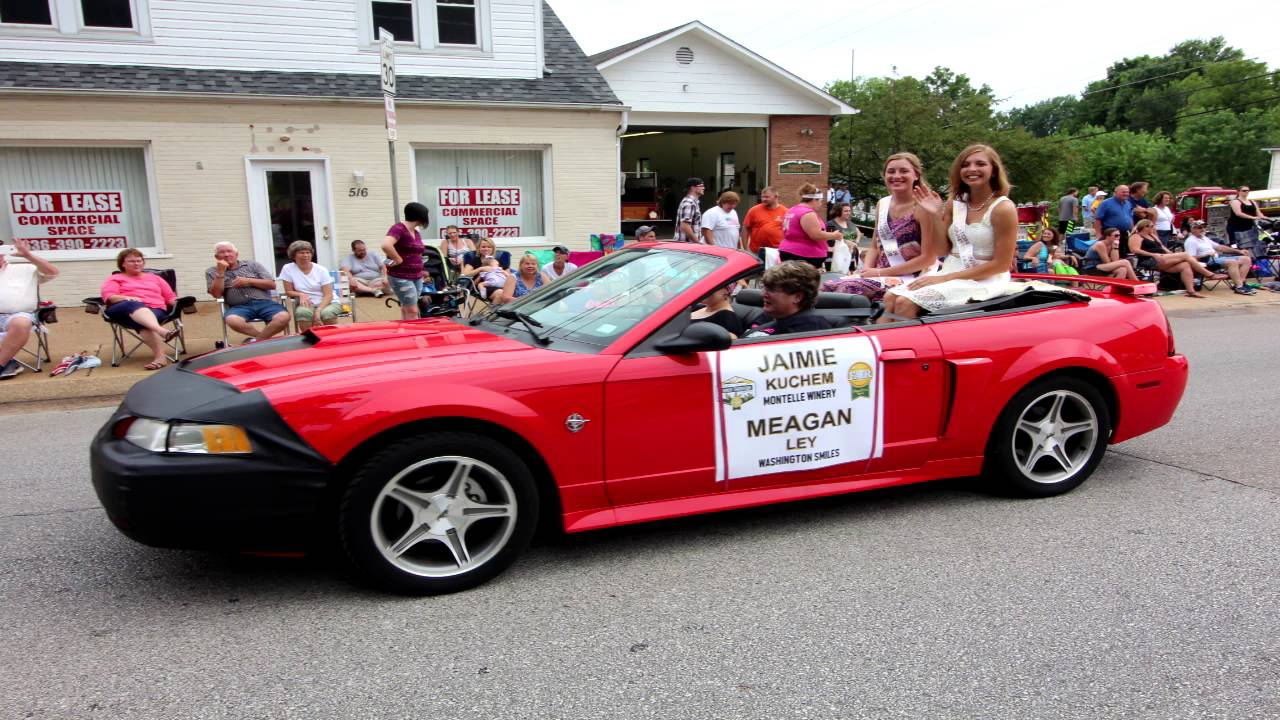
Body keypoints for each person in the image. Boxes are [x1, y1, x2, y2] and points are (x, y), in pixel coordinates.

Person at [881, 144, 1017, 321]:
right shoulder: (956, 203)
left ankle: (908, 348)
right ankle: (881, 347)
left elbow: (1001, 264)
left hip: (985, 278)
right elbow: (942, 250)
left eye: (980, 164)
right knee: (889, 298)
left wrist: (945, 279)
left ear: (993, 170)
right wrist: (935, 215)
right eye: (965, 164)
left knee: (904, 303)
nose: (972, 169)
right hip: (951, 271)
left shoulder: (1003, 208)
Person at [822, 152, 942, 303]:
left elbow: (928, 258)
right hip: (881, 274)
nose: (896, 176)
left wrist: (878, 272)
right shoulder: (882, 204)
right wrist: (866, 270)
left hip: (914, 276)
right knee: (826, 287)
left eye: (904, 171)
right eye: (891, 171)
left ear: (916, 175)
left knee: (847, 290)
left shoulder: (923, 207)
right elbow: (874, 247)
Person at [100, 248, 180, 369]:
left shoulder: (156, 278)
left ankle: (160, 358)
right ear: (123, 264)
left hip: (155, 310)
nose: (137, 263)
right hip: (122, 309)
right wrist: (128, 297)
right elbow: (110, 297)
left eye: (139, 260)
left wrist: (182, 304)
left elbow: (170, 297)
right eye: (132, 261)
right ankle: (162, 331)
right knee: (132, 304)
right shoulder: (115, 278)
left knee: (141, 322)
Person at [207, 241, 291, 343]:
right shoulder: (211, 271)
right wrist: (220, 273)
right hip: (238, 307)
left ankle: (256, 341)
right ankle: (263, 339)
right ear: (216, 257)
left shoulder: (252, 265)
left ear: (236, 254)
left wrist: (248, 281)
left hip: (265, 303)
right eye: (222, 252)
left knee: (283, 317)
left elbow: (272, 285)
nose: (226, 254)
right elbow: (216, 294)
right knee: (232, 320)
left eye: (229, 251)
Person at [0, 239, 58, 379]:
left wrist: (28, 255)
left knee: (21, 323)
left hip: (17, 315)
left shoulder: (24, 269)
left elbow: (53, 272)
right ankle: (9, 362)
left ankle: (1, 364)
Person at [1127, 219, 1224, 298]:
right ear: (1145, 227)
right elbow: (1135, 250)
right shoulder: (1137, 236)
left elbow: (1162, 248)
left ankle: (1191, 291)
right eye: (1152, 226)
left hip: (1163, 258)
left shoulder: (1152, 235)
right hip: (1149, 260)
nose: (1154, 228)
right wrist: (1153, 254)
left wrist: (1171, 254)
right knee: (1185, 255)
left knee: (1185, 265)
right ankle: (1210, 274)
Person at [743, 261, 830, 337]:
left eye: (772, 289)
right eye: (765, 288)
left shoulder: (810, 328)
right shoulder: (772, 314)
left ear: (797, 297)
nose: (764, 294)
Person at [381, 201, 431, 320]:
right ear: (420, 216)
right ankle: (414, 335)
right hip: (401, 276)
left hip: (417, 276)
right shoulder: (398, 228)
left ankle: (406, 332)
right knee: (413, 310)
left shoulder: (416, 232)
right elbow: (386, 245)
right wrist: (398, 259)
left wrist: (421, 268)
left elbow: (416, 252)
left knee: (406, 307)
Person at [278, 240, 341, 331]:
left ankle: (331, 339)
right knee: (302, 313)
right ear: (293, 255)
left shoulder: (321, 270)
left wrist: (318, 310)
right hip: (307, 303)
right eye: (301, 253)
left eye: (308, 252)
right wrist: (301, 294)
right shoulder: (288, 268)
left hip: (328, 302)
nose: (305, 255)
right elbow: (288, 291)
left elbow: (329, 295)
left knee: (327, 314)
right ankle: (309, 338)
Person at [778, 183, 843, 268]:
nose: (820, 204)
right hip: (804, 255)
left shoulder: (791, 210)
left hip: (788, 250)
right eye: (820, 201)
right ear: (814, 200)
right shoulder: (808, 213)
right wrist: (834, 235)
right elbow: (816, 235)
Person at [1183, 220, 1254, 294]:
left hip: (1216, 258)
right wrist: (1206, 255)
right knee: (1232, 262)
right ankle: (1239, 287)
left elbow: (1220, 247)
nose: (1203, 229)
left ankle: (1242, 283)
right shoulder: (1191, 241)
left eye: (1204, 227)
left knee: (1246, 259)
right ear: (1193, 229)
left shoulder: (1204, 238)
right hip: (1206, 262)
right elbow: (1191, 258)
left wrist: (1239, 251)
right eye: (1199, 227)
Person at [741, 186, 787, 253]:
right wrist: (745, 249)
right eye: (762, 197)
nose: (764, 199)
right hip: (756, 251)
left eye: (767, 197)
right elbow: (745, 228)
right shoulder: (754, 210)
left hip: (777, 251)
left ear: (776, 197)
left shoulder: (785, 211)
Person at [1227, 185, 1266, 257]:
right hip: (1235, 226)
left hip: (1248, 226)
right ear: (1238, 192)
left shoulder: (1252, 202)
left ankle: (1252, 259)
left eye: (1248, 190)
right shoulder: (1235, 201)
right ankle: (1235, 256)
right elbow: (1238, 213)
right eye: (1244, 190)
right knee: (1234, 243)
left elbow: (1259, 213)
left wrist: (1265, 218)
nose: (1246, 192)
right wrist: (1252, 217)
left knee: (1251, 243)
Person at [824, 202, 862, 269]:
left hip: (850, 257)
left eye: (849, 211)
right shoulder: (830, 225)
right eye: (845, 211)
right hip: (835, 258)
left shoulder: (850, 223)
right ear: (838, 211)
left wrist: (856, 241)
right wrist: (846, 242)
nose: (848, 213)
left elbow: (858, 232)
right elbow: (829, 240)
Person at [674, 178, 705, 242]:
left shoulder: (692, 202)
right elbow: (685, 226)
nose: (703, 188)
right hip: (687, 246)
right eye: (701, 186)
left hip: (689, 245)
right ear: (693, 187)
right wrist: (697, 242)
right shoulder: (689, 203)